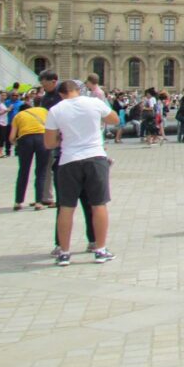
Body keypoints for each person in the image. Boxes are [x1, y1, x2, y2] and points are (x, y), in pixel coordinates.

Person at [43, 80, 120, 266]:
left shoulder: (56, 110)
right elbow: (115, 120)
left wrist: (62, 138)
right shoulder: (93, 102)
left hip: (69, 160)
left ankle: (64, 253)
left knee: (66, 208)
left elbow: (49, 144)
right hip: (95, 157)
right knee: (98, 205)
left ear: (61, 93)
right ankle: (100, 250)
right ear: (79, 90)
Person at [9, 100, 50, 210]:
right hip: (42, 138)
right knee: (41, 171)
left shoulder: (18, 116)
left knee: (23, 170)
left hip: (25, 140)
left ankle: (18, 202)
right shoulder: (43, 110)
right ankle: (38, 202)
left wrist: (17, 144)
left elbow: (11, 137)